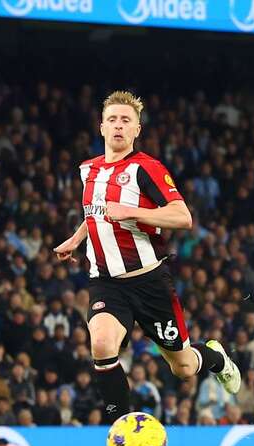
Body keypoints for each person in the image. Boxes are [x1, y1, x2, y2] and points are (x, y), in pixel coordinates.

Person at [53, 91, 240, 424]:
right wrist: (77, 237)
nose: (118, 126)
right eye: (112, 120)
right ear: (101, 127)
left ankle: (213, 356)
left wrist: (132, 211)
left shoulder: (147, 169)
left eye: (126, 120)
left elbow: (183, 217)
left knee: (182, 367)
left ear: (137, 129)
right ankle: (120, 427)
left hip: (149, 282)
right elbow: (95, 211)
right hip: (106, 282)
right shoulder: (87, 170)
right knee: (101, 343)